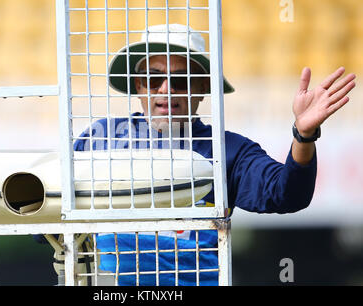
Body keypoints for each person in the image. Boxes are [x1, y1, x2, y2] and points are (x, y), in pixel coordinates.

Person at [72, 23, 356, 286]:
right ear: (138, 84)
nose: (166, 89)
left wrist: (303, 135)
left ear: (203, 87)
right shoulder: (100, 139)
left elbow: (288, 194)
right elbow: (46, 218)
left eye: (181, 80)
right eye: (153, 77)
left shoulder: (229, 151)